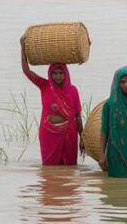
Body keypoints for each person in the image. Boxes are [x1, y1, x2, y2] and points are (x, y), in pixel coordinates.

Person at [20, 37, 84, 165]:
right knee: (49, 168)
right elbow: (27, 71)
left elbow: (77, 116)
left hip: (69, 134)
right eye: (55, 73)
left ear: (66, 74)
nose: (58, 76)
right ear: (50, 73)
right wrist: (23, 49)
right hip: (49, 133)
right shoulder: (45, 86)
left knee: (69, 168)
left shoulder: (73, 90)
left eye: (61, 73)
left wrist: (82, 137)